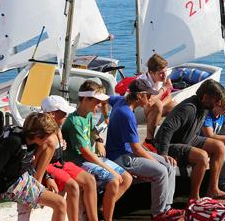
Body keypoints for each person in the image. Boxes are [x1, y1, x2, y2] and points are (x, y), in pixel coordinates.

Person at [105, 79, 185, 220]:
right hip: (121, 156)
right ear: (139, 96)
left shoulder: (119, 100)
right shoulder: (127, 115)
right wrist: (155, 160)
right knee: (161, 171)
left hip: (129, 151)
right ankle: (158, 214)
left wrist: (106, 117)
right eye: (148, 95)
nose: (150, 98)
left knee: (170, 165)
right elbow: (137, 149)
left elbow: (104, 99)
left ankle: (167, 208)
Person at [62, 80, 133, 221]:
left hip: (90, 157)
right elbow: (85, 153)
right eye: (97, 102)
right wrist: (110, 170)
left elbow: (92, 130)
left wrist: (99, 141)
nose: (100, 106)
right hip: (78, 160)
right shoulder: (75, 121)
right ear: (86, 99)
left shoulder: (87, 114)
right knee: (113, 180)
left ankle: (104, 209)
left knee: (127, 178)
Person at [154, 79, 225, 200]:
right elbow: (166, 128)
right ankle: (194, 198)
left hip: (189, 139)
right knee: (202, 156)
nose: (218, 103)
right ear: (205, 97)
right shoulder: (189, 108)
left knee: (219, 146)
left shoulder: (205, 106)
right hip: (170, 145)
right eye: (216, 100)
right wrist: (163, 154)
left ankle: (213, 190)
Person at [0, 112, 66, 221]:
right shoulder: (13, 142)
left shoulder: (32, 141)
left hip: (22, 178)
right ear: (38, 135)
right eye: (48, 135)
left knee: (59, 202)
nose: (49, 139)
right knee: (60, 203)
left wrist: (48, 177)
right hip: (11, 186)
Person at [33, 95, 99, 221]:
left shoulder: (57, 127)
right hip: (49, 166)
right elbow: (36, 161)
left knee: (90, 180)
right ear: (52, 114)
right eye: (63, 113)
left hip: (60, 162)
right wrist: (47, 178)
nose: (66, 116)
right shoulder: (43, 133)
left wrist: (61, 144)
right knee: (73, 186)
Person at [139, 54, 177, 152]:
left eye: (165, 72)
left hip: (149, 107)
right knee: (157, 105)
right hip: (137, 110)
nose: (164, 75)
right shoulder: (143, 81)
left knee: (175, 105)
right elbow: (150, 102)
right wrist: (164, 88)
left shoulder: (162, 79)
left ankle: (167, 137)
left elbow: (169, 97)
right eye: (161, 73)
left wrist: (160, 107)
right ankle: (148, 141)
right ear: (151, 73)